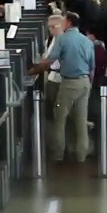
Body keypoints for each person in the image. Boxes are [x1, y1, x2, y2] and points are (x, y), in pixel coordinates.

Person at [31, 12, 95, 164]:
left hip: (68, 84)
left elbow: (49, 61)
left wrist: (32, 70)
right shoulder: (87, 41)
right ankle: (81, 156)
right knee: (81, 121)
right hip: (85, 83)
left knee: (59, 118)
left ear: (68, 23)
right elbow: (92, 67)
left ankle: (58, 154)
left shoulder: (62, 39)